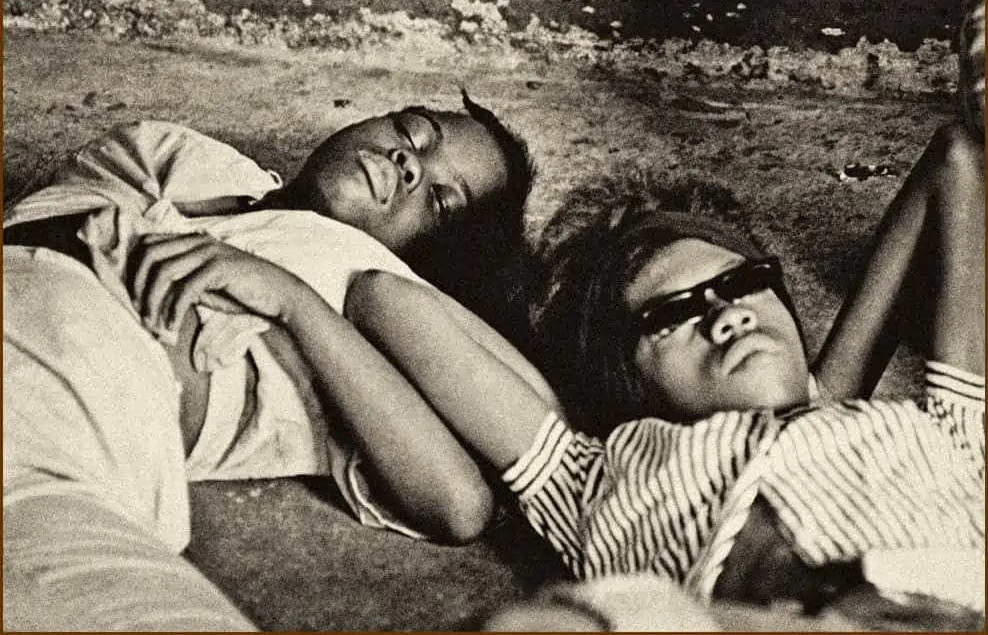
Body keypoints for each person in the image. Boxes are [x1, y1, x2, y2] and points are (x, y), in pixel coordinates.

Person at [341, 115, 984, 615]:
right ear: (631, 386)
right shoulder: (594, 482)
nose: (727, 316)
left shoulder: (946, 434)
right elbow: (381, 296)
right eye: (670, 316)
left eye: (742, 282)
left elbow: (957, 158)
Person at [3, 93, 535, 630]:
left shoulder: (368, 291)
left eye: (442, 202)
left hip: (59, 445)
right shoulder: (187, 157)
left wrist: (292, 301)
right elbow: (63, 208)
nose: (409, 162)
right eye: (415, 132)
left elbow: (459, 501)